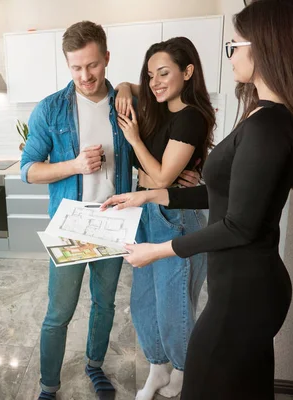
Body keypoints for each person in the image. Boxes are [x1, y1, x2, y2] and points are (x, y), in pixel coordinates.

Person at [101, 1, 293, 399]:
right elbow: (224, 192)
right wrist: (152, 194)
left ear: (267, 48)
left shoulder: (270, 126)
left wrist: (158, 250)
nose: (231, 53)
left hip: (245, 294)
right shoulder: (261, 114)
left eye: (236, 44)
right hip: (242, 288)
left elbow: (239, 224)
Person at [20, 20, 134, 400]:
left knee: (104, 305)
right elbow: (29, 171)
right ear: (68, 65)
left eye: (92, 65)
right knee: (59, 313)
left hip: (113, 222)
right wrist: (73, 165)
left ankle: (95, 366)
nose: (85, 75)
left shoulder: (126, 104)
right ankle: (48, 385)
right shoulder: (50, 109)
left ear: (106, 57)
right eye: (76, 67)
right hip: (70, 224)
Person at [113, 37, 215, 400]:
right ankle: (158, 368)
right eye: (150, 73)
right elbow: (135, 86)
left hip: (175, 215)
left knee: (173, 305)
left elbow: (163, 180)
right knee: (143, 301)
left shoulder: (191, 118)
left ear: (188, 73)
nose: (155, 81)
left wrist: (134, 139)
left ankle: (186, 373)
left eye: (164, 73)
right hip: (145, 211)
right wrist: (126, 85)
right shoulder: (160, 103)